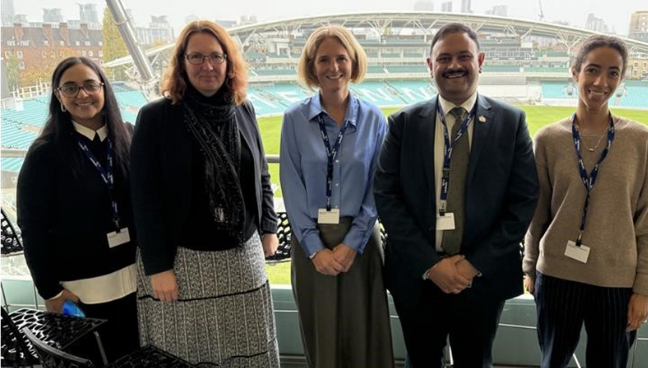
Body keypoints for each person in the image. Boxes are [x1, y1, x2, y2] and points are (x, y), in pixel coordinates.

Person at [373, 23, 539, 368]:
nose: (454, 65)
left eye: (464, 56)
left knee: (476, 361)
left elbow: (523, 201)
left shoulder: (511, 123)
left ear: (480, 60)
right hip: (417, 275)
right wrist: (431, 265)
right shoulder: (402, 123)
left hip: (481, 276)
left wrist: (472, 264)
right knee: (421, 361)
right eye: (444, 58)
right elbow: (386, 196)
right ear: (429, 65)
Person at [130, 20, 280, 367]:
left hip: (242, 260)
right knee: (189, 355)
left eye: (215, 56)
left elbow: (260, 172)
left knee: (250, 352)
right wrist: (158, 266)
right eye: (196, 57)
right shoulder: (157, 117)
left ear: (229, 62)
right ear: (181, 63)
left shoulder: (243, 109)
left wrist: (268, 226)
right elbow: (144, 197)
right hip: (183, 264)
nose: (207, 66)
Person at [523, 35, 648, 368]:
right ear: (575, 73)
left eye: (613, 73)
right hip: (557, 274)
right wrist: (530, 266)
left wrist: (644, 287)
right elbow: (537, 213)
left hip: (616, 281)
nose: (601, 82)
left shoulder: (640, 139)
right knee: (552, 361)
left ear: (621, 79)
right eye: (593, 70)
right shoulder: (548, 139)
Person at [279, 25, 394, 368]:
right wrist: (315, 248)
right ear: (312, 66)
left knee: (366, 339)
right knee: (322, 338)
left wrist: (352, 243)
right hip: (310, 244)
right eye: (324, 59)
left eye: (341, 58)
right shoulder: (295, 119)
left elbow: (378, 186)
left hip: (360, 243)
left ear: (353, 62)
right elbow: (292, 186)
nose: (333, 67)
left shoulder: (374, 118)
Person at [17, 56, 139, 362]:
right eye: (70, 88)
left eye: (89, 85)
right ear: (58, 96)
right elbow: (32, 228)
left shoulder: (128, 135)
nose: (82, 95)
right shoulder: (45, 153)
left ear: (103, 89)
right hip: (81, 293)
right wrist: (50, 291)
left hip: (136, 286)